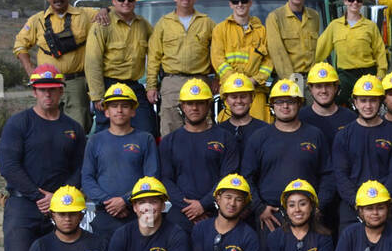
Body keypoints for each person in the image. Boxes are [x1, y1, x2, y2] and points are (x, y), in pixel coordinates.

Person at [0, 68, 87, 251]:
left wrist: (58, 198)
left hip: (62, 212)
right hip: (22, 208)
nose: (47, 94)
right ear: (34, 91)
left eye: (52, 89)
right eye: (42, 89)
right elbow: (10, 167)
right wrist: (39, 196)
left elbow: (81, 169)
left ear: (61, 90)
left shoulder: (72, 128)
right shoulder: (19, 123)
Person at [242, 79, 334, 233]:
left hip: (308, 214)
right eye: (279, 102)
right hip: (271, 216)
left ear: (299, 104)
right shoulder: (259, 137)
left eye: (290, 101)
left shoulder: (315, 135)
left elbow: (328, 175)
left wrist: (318, 206)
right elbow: (247, 176)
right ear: (272, 105)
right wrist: (259, 208)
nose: (285, 106)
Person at [13, 0, 95, 130]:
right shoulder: (37, 20)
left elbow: (112, 10)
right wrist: (30, 70)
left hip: (75, 82)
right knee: (45, 125)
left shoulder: (85, 15)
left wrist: (105, 11)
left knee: (77, 128)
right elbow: (20, 45)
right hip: (47, 83)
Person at [80, 83, 160, 240]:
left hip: (143, 211)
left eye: (125, 106)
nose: (119, 110)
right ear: (106, 111)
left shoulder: (146, 139)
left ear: (133, 111)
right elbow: (87, 179)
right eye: (114, 106)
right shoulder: (95, 140)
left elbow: (152, 177)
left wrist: (125, 201)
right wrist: (109, 203)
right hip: (105, 212)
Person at [159, 79, 238, 235]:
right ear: (182, 106)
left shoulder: (225, 138)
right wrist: (188, 208)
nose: (194, 108)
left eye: (200, 103)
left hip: (216, 214)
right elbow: (165, 179)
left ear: (208, 105)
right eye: (189, 103)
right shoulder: (169, 141)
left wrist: (203, 204)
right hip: (180, 216)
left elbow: (228, 177)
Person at [333, 75, 392, 226]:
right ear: (355, 102)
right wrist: (359, 203)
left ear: (381, 101)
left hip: (384, 208)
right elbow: (340, 175)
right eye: (363, 100)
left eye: (373, 100)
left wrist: (379, 204)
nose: (368, 105)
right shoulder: (343, 136)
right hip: (352, 207)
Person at [146, 0, 216, 136]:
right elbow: (154, 56)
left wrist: (217, 78)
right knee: (171, 128)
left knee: (203, 126)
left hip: (200, 80)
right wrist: (151, 86)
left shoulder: (206, 23)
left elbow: (218, 52)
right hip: (172, 82)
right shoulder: (164, 23)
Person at [86, 0, 154, 136]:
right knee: (106, 131)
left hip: (134, 86)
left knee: (148, 129)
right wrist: (97, 95)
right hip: (109, 85)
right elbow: (92, 62)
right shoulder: (102, 24)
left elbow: (157, 50)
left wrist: (152, 84)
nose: (126, 2)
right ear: (114, 2)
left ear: (135, 2)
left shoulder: (143, 25)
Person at [314, 0, 387, 104]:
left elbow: (380, 52)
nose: (355, 3)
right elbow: (319, 50)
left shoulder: (370, 26)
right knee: (335, 102)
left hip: (367, 73)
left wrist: (380, 75)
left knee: (369, 105)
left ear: (362, 3)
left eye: (358, 0)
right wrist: (309, 68)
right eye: (351, 0)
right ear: (345, 2)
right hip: (344, 75)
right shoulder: (335, 26)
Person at [211, 0, 272, 122]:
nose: (240, 4)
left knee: (259, 129)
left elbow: (268, 62)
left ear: (250, 3)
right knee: (229, 129)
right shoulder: (220, 29)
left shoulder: (261, 31)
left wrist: (255, 80)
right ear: (231, 4)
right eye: (236, 1)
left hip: (256, 90)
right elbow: (217, 59)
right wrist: (235, 81)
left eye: (243, 1)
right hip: (230, 91)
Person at [264, 0, 322, 84]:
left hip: (313, 79)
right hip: (289, 79)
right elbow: (277, 52)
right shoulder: (275, 17)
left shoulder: (314, 16)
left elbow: (318, 51)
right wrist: (290, 81)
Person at [298, 61, 356, 157]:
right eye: (318, 86)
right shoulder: (300, 118)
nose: (323, 91)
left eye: (328, 85)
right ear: (310, 89)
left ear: (336, 87)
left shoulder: (350, 119)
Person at [217, 74, 267, 169]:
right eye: (234, 97)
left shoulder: (265, 131)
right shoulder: (219, 132)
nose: (239, 101)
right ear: (226, 100)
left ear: (252, 98)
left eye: (243, 96)